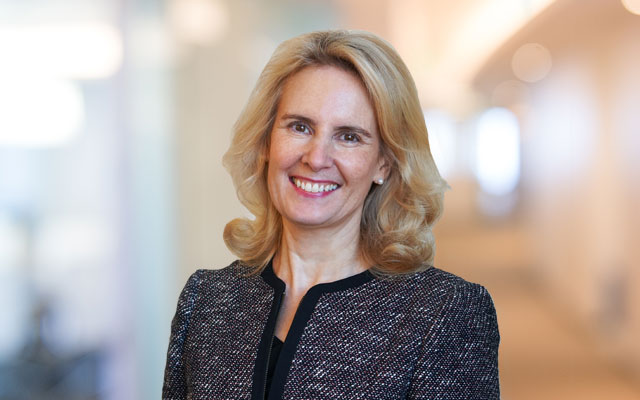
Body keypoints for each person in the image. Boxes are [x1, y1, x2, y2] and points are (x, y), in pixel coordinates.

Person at [163, 30, 500, 399]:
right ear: (266, 142)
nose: (316, 158)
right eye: (300, 127)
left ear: (384, 163)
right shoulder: (208, 300)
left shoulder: (443, 313)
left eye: (349, 136)